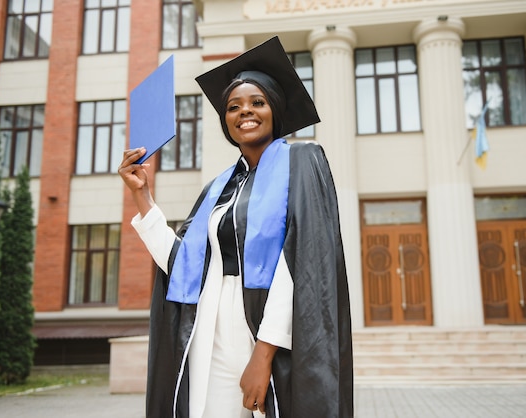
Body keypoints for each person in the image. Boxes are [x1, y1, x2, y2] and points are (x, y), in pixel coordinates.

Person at [118, 36, 353, 418]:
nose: (245, 112)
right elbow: (183, 267)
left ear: (274, 109)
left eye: (257, 102)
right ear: (226, 120)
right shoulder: (220, 187)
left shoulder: (302, 161)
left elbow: (303, 262)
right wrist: (142, 196)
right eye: (234, 107)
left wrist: (263, 353)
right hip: (208, 327)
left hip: (267, 330)